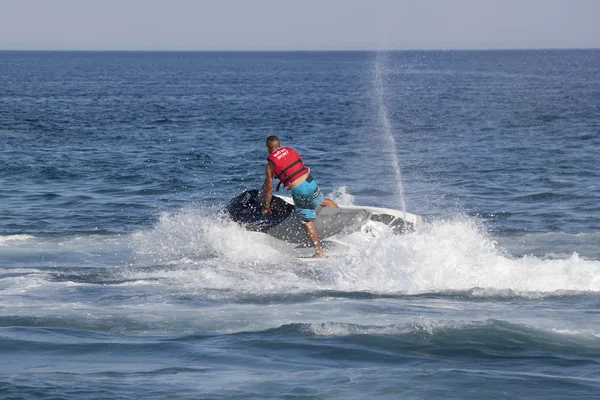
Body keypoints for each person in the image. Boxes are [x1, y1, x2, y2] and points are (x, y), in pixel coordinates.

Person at [262, 136, 338, 258]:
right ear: (279, 145)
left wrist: (266, 206)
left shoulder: (270, 165)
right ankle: (341, 215)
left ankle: (319, 252)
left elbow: (269, 187)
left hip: (300, 189)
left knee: (306, 221)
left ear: (267, 148)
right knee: (322, 201)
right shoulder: (290, 150)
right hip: (310, 181)